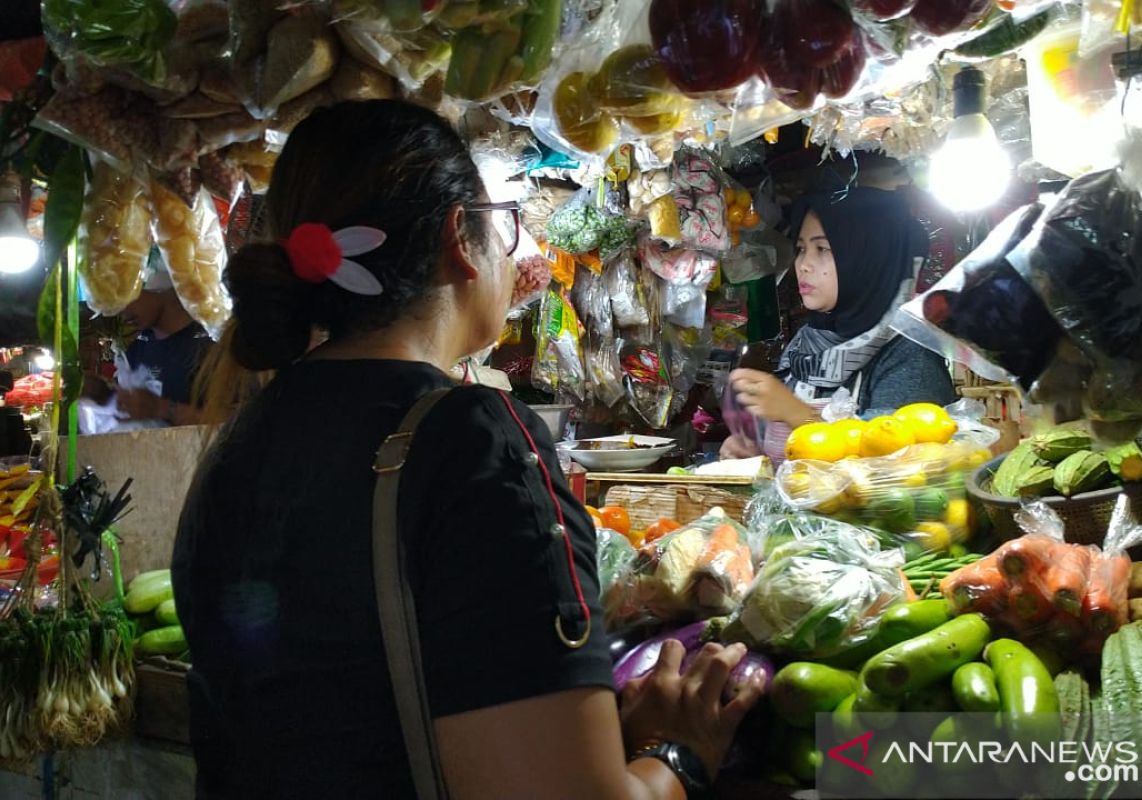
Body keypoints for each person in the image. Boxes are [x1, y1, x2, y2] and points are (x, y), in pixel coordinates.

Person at [171, 99, 763, 800]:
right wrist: (680, 755)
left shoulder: (243, 432)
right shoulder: (473, 438)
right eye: (502, 226)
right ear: (460, 236)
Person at [722, 187, 958, 460]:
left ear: (868, 258)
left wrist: (800, 415)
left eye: (822, 248)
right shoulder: (805, 347)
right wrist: (753, 453)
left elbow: (897, 471)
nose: (804, 264)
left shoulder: (910, 355)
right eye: (801, 249)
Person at [112, 267, 212, 426]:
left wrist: (163, 408)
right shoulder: (136, 350)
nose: (120, 311)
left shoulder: (210, 346)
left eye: (124, 297)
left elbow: (235, 421)